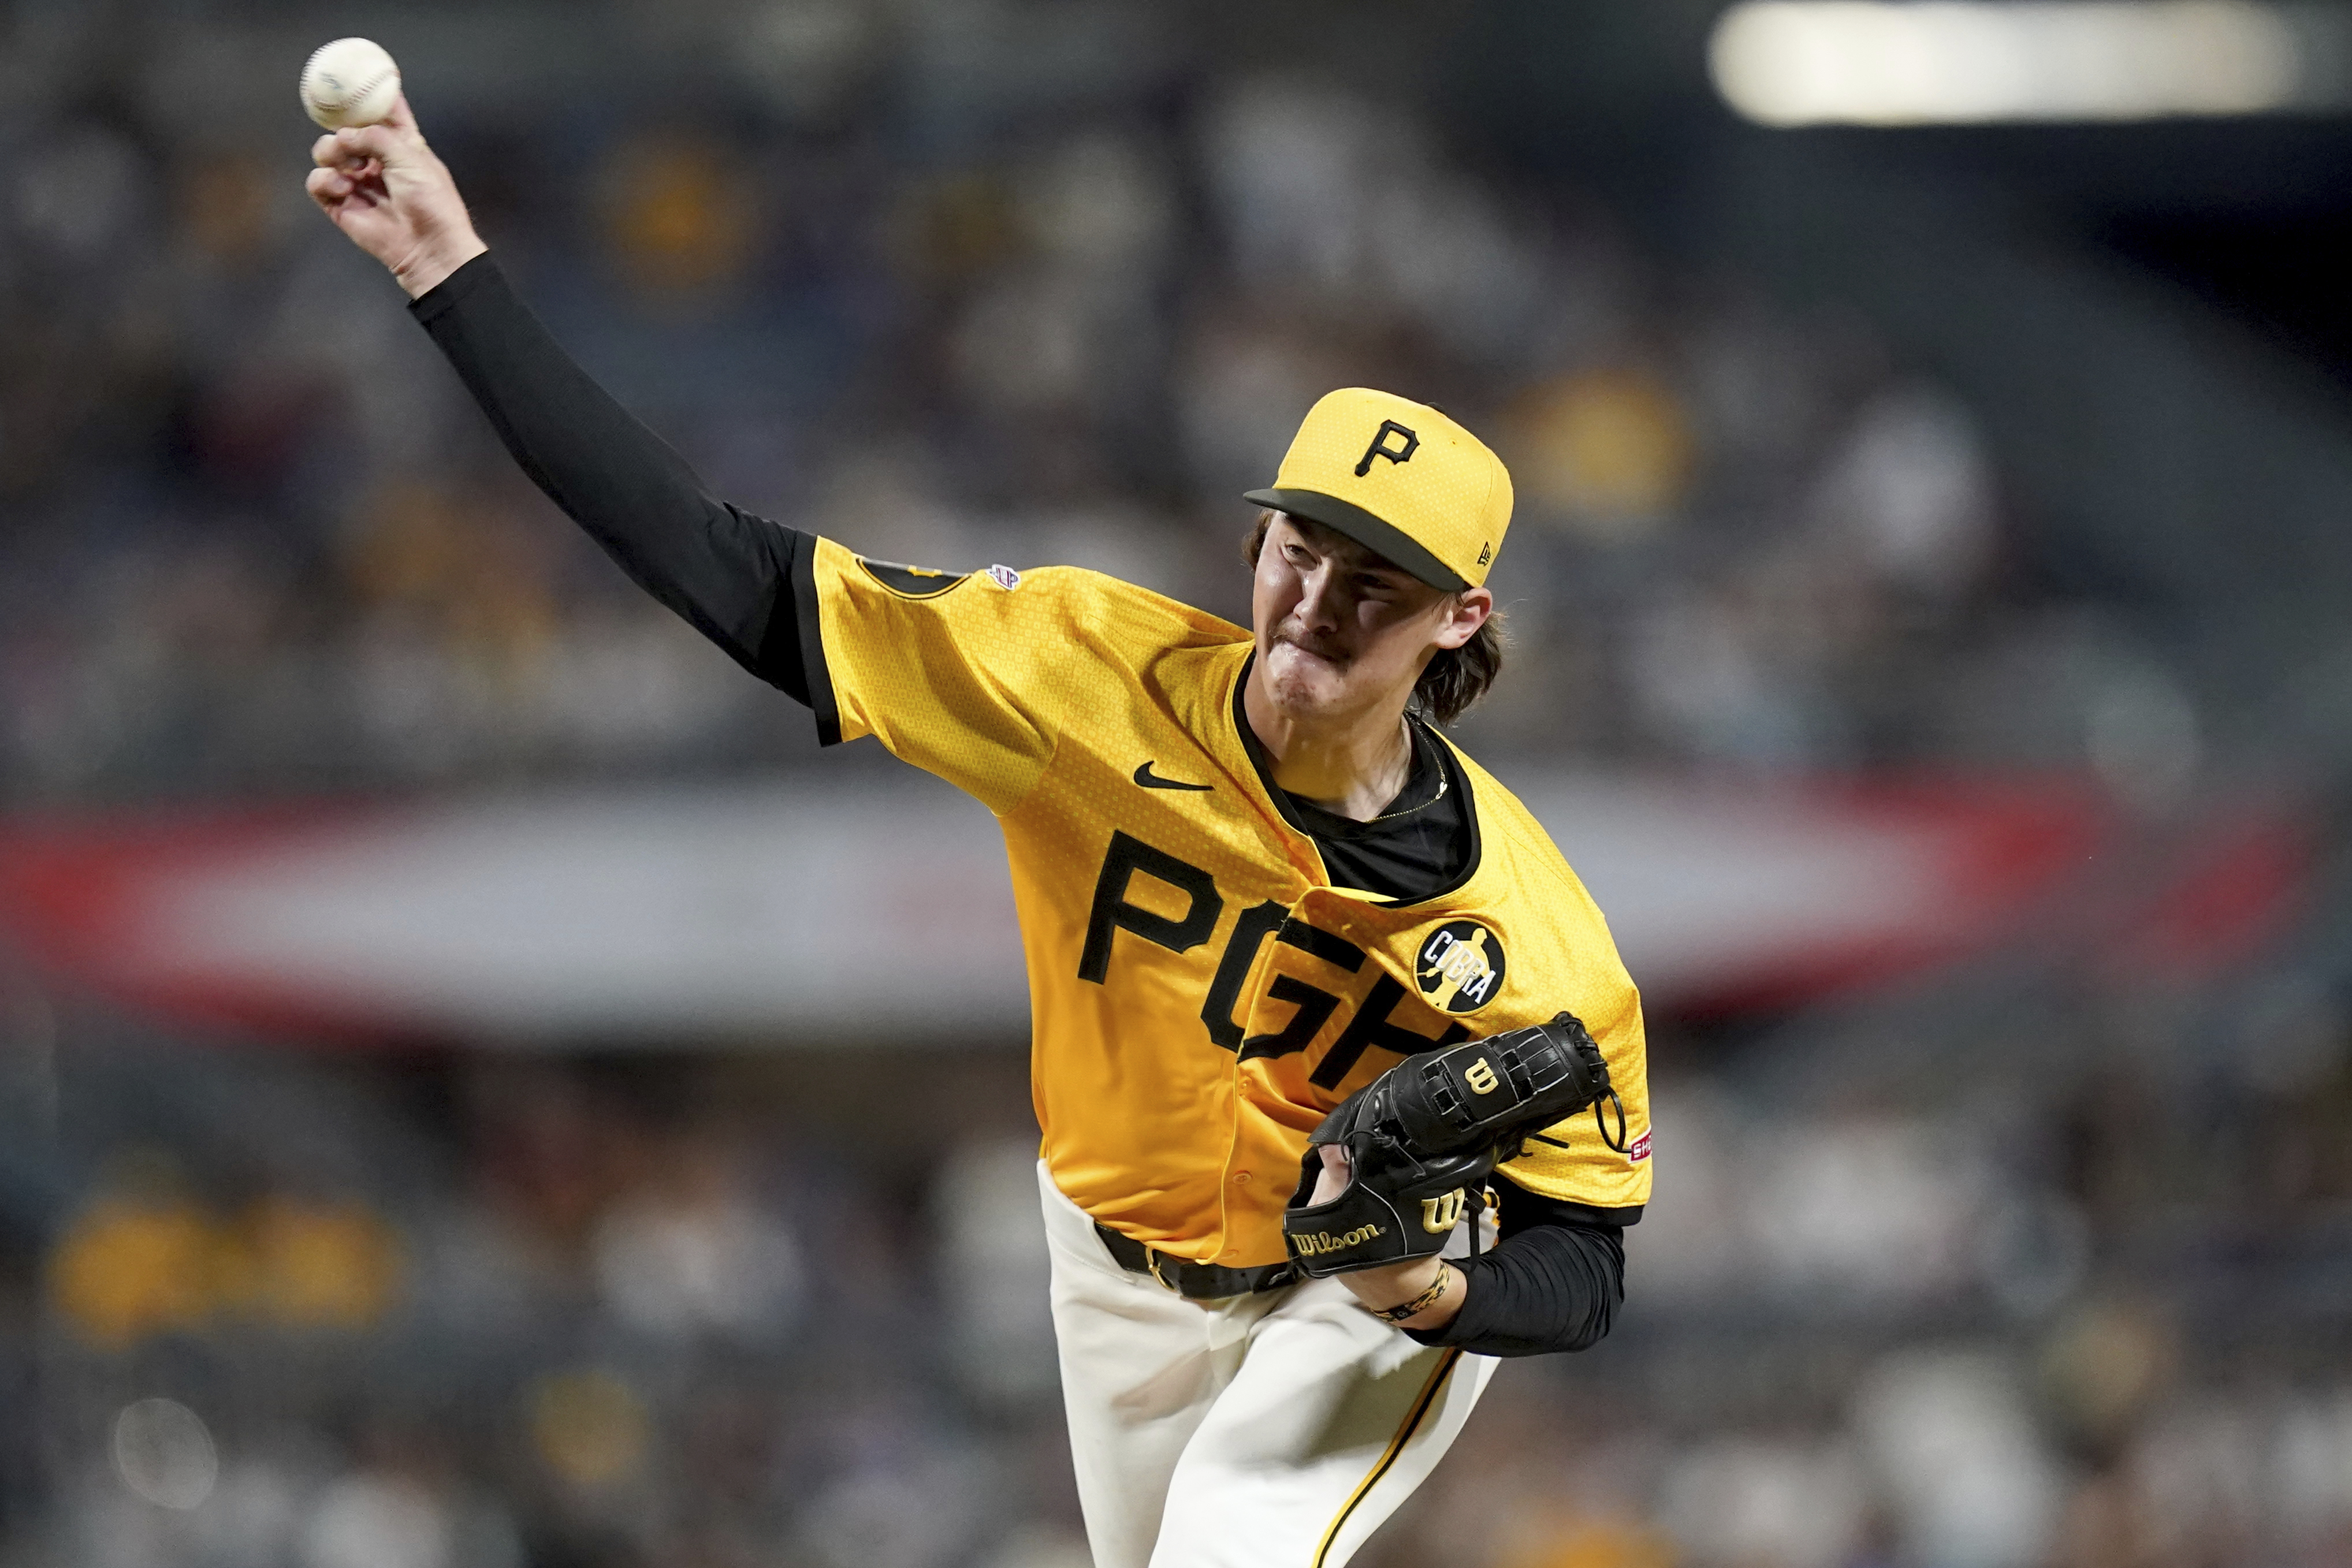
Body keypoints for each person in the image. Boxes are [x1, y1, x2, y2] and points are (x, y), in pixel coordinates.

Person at [307, 99, 1653, 1567]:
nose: (1314, 605)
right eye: (1296, 549)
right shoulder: (1078, 673)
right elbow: (728, 568)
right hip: (1106, 1264)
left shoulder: (1533, 934)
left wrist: (1424, 1296)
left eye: (1374, 583)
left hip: (1349, 1303)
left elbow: (1582, 1262)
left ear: (1460, 615)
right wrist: (448, 273)